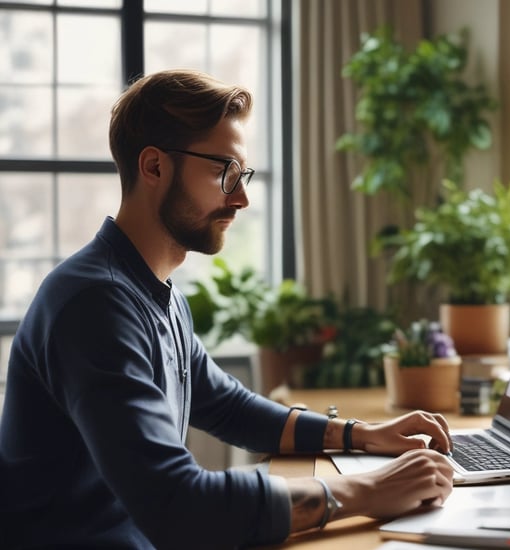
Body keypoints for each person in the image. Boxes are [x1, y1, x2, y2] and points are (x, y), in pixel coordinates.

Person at [0, 69, 454, 549]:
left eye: (242, 174)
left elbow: (228, 407)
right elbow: (181, 505)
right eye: (224, 172)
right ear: (153, 167)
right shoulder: (94, 304)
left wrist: (362, 435)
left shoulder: (155, 291)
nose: (241, 197)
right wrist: (369, 489)